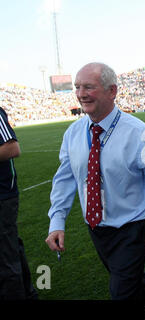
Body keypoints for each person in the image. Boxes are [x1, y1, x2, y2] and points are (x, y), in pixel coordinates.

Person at [45, 62, 145, 300]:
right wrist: (56, 221)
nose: (81, 94)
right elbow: (64, 179)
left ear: (112, 91)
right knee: (133, 283)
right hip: (96, 227)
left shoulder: (138, 133)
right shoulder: (72, 134)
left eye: (88, 87)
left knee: (121, 292)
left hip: (131, 226)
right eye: (77, 87)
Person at [0, 107, 38, 300]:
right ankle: (28, 293)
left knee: (5, 259)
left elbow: (12, 148)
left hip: (2, 196)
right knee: (10, 247)